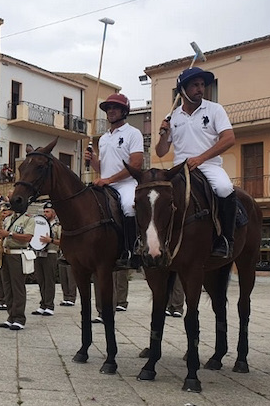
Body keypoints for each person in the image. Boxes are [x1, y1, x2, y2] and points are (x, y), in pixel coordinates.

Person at [156, 67, 236, 258]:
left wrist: (201, 158)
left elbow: (229, 138)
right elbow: (160, 152)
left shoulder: (215, 109)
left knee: (225, 188)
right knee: (156, 196)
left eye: (202, 85)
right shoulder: (173, 117)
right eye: (195, 85)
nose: (200, 89)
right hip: (180, 169)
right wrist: (164, 134)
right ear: (182, 90)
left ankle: (226, 239)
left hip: (209, 165)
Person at [84, 93, 144, 268]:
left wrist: (109, 179)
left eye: (115, 108)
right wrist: (93, 159)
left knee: (127, 207)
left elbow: (136, 165)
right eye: (108, 108)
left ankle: (132, 250)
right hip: (106, 183)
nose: (111, 111)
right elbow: (103, 168)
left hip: (126, 184)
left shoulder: (133, 133)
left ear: (124, 111)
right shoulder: (103, 138)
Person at [0, 207, 34, 330]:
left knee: (17, 287)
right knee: (7, 287)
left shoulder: (28, 219)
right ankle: (11, 316)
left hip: (18, 254)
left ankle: (19, 318)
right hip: (6, 254)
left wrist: (9, 234)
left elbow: (28, 237)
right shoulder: (8, 219)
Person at [32, 201, 59, 316]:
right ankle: (43, 304)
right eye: (44, 211)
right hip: (39, 254)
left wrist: (51, 241)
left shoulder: (58, 226)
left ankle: (49, 305)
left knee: (49, 280)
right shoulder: (41, 224)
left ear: (53, 213)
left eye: (47, 211)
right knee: (41, 280)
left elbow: (64, 242)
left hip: (50, 253)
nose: (45, 213)